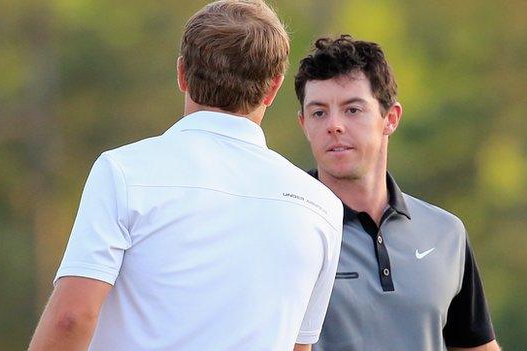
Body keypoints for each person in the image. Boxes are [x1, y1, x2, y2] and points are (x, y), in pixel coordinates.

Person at [28, 2, 343, 350]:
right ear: (274, 88)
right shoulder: (322, 206)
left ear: (181, 74)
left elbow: (70, 319)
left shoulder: (124, 172)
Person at [295, 35, 500, 351]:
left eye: (352, 109)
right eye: (319, 112)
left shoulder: (447, 233)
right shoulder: (287, 230)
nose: (334, 125)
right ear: (304, 124)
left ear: (390, 118)